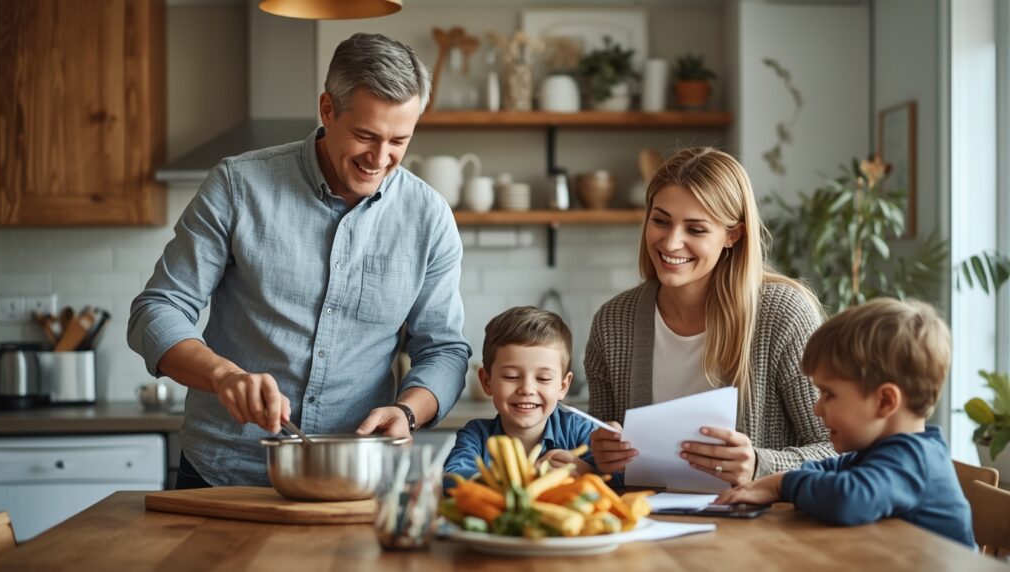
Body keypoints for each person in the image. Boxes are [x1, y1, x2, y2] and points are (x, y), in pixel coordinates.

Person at [128, 33, 470, 488]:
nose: (380, 158)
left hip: (355, 479)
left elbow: (444, 348)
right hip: (225, 474)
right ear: (327, 110)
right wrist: (223, 375)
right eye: (366, 136)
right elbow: (158, 308)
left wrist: (408, 410)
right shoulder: (239, 185)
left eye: (398, 141)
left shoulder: (428, 216)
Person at [586, 147, 834, 487]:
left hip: (759, 532)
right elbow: (597, 454)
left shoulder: (783, 315)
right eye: (660, 221)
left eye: (696, 229)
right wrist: (598, 457)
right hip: (646, 526)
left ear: (732, 235)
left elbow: (839, 450)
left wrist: (761, 464)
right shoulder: (613, 322)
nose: (671, 242)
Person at [715, 298, 973, 547]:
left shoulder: (914, 461)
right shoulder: (882, 453)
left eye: (829, 394)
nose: (817, 408)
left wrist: (781, 484)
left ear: (884, 401)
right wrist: (784, 477)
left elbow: (848, 499)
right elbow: (829, 468)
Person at [444, 307, 596, 481]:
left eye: (543, 378)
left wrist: (587, 471)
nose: (527, 389)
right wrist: (521, 479)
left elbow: (623, 475)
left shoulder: (580, 431)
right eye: (512, 376)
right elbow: (452, 477)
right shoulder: (476, 435)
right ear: (487, 382)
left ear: (562, 386)